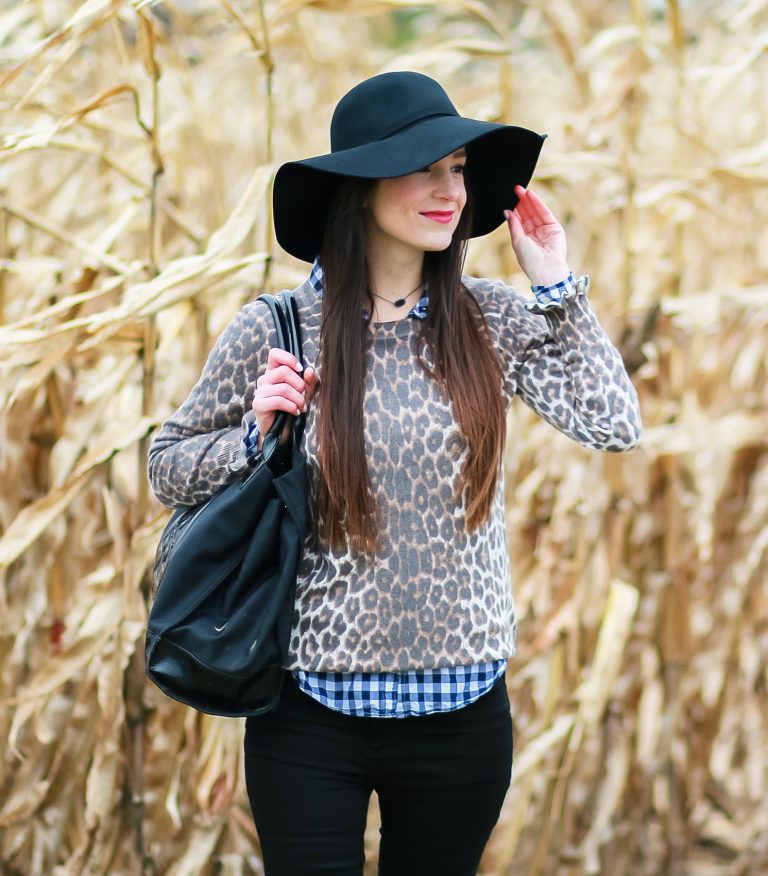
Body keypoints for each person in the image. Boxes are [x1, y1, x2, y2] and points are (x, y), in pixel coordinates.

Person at [147, 71, 642, 876]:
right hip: (311, 714)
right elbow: (167, 468)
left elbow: (614, 424)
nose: (451, 189)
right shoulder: (277, 327)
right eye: (425, 168)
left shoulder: (490, 319)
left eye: (457, 168)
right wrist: (252, 436)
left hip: (462, 716)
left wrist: (556, 285)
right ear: (359, 187)